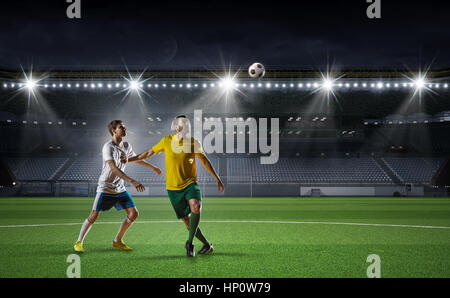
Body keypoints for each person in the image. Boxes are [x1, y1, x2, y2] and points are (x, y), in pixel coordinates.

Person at [127, 115, 224, 257]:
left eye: (187, 123)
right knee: (187, 222)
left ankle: (189, 243)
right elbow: (148, 153)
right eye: (182, 123)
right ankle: (207, 245)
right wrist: (128, 159)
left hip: (191, 184)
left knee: (196, 206)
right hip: (173, 188)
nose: (185, 124)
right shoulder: (167, 141)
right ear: (176, 126)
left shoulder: (193, 142)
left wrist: (217, 177)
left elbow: (204, 161)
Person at [73, 120, 161, 253]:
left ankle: (117, 241)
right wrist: (132, 181)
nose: (124, 128)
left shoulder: (126, 145)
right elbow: (113, 169)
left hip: (119, 188)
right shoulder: (108, 147)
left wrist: (153, 167)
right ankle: (78, 242)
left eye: (124, 126)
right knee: (93, 216)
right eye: (121, 127)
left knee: (134, 213)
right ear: (114, 130)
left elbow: (136, 158)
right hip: (106, 187)